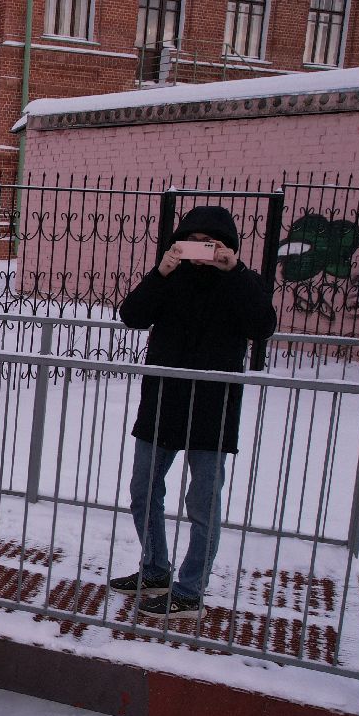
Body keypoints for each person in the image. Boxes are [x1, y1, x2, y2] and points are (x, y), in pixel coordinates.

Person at [111, 205, 277, 620]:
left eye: (211, 242)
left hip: (213, 410)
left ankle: (189, 591)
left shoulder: (242, 282)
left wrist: (234, 271)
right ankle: (154, 570)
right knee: (143, 490)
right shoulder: (170, 278)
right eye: (193, 241)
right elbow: (131, 315)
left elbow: (262, 325)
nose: (202, 250)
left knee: (202, 501)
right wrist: (160, 272)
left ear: (228, 245)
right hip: (163, 404)